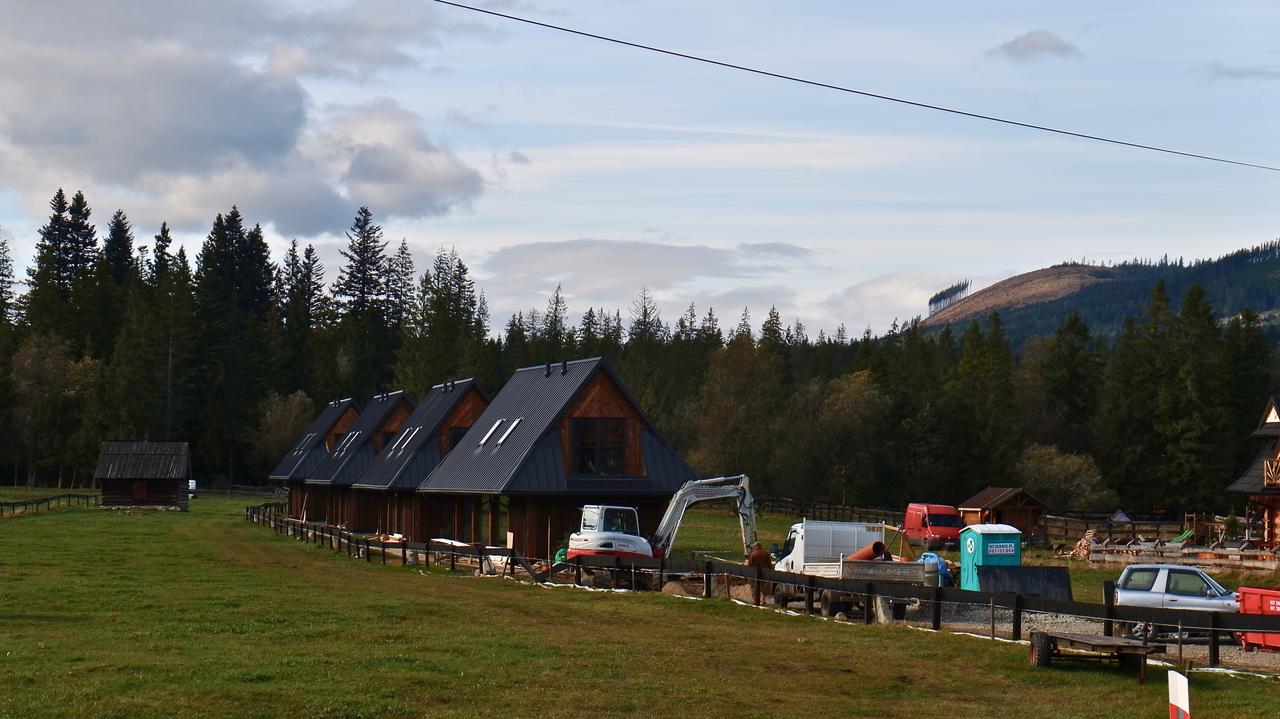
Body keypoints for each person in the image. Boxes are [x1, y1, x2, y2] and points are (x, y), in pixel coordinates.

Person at [745, 541, 773, 606]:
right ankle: (763, 600)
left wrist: (749, 575)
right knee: (763, 589)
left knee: (754, 588)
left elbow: (750, 566)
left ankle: (755, 600)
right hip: (764, 574)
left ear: (755, 546)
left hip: (755, 574)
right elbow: (769, 565)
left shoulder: (753, 554)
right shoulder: (766, 553)